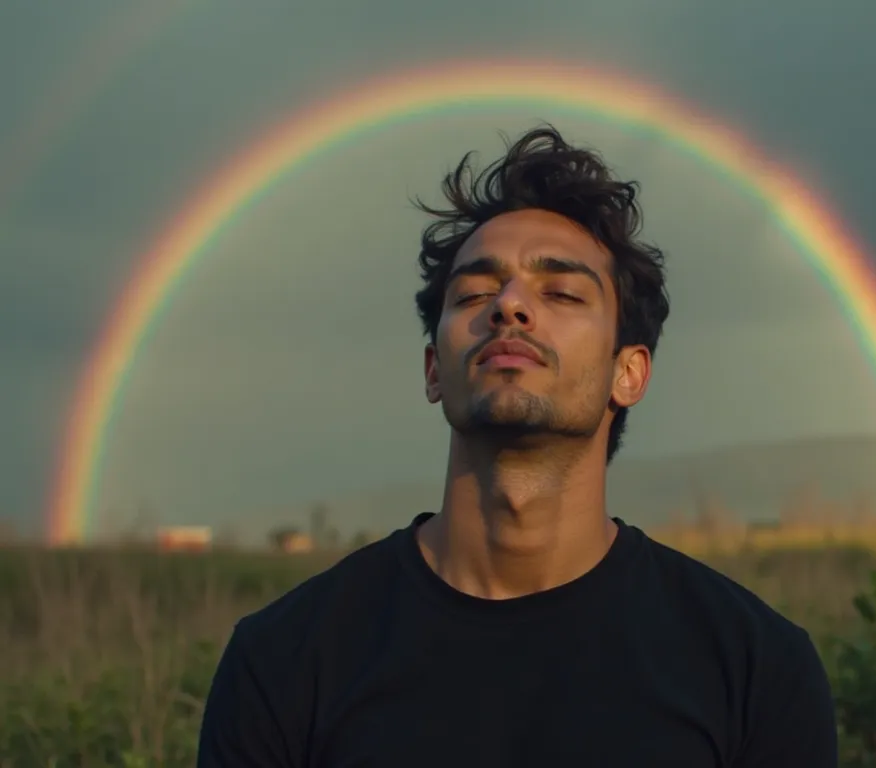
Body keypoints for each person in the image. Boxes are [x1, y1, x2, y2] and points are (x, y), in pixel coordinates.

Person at [197, 125, 838, 767]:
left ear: (629, 373)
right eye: (475, 293)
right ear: (431, 370)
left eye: (560, 292)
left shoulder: (755, 666)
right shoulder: (283, 659)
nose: (509, 306)